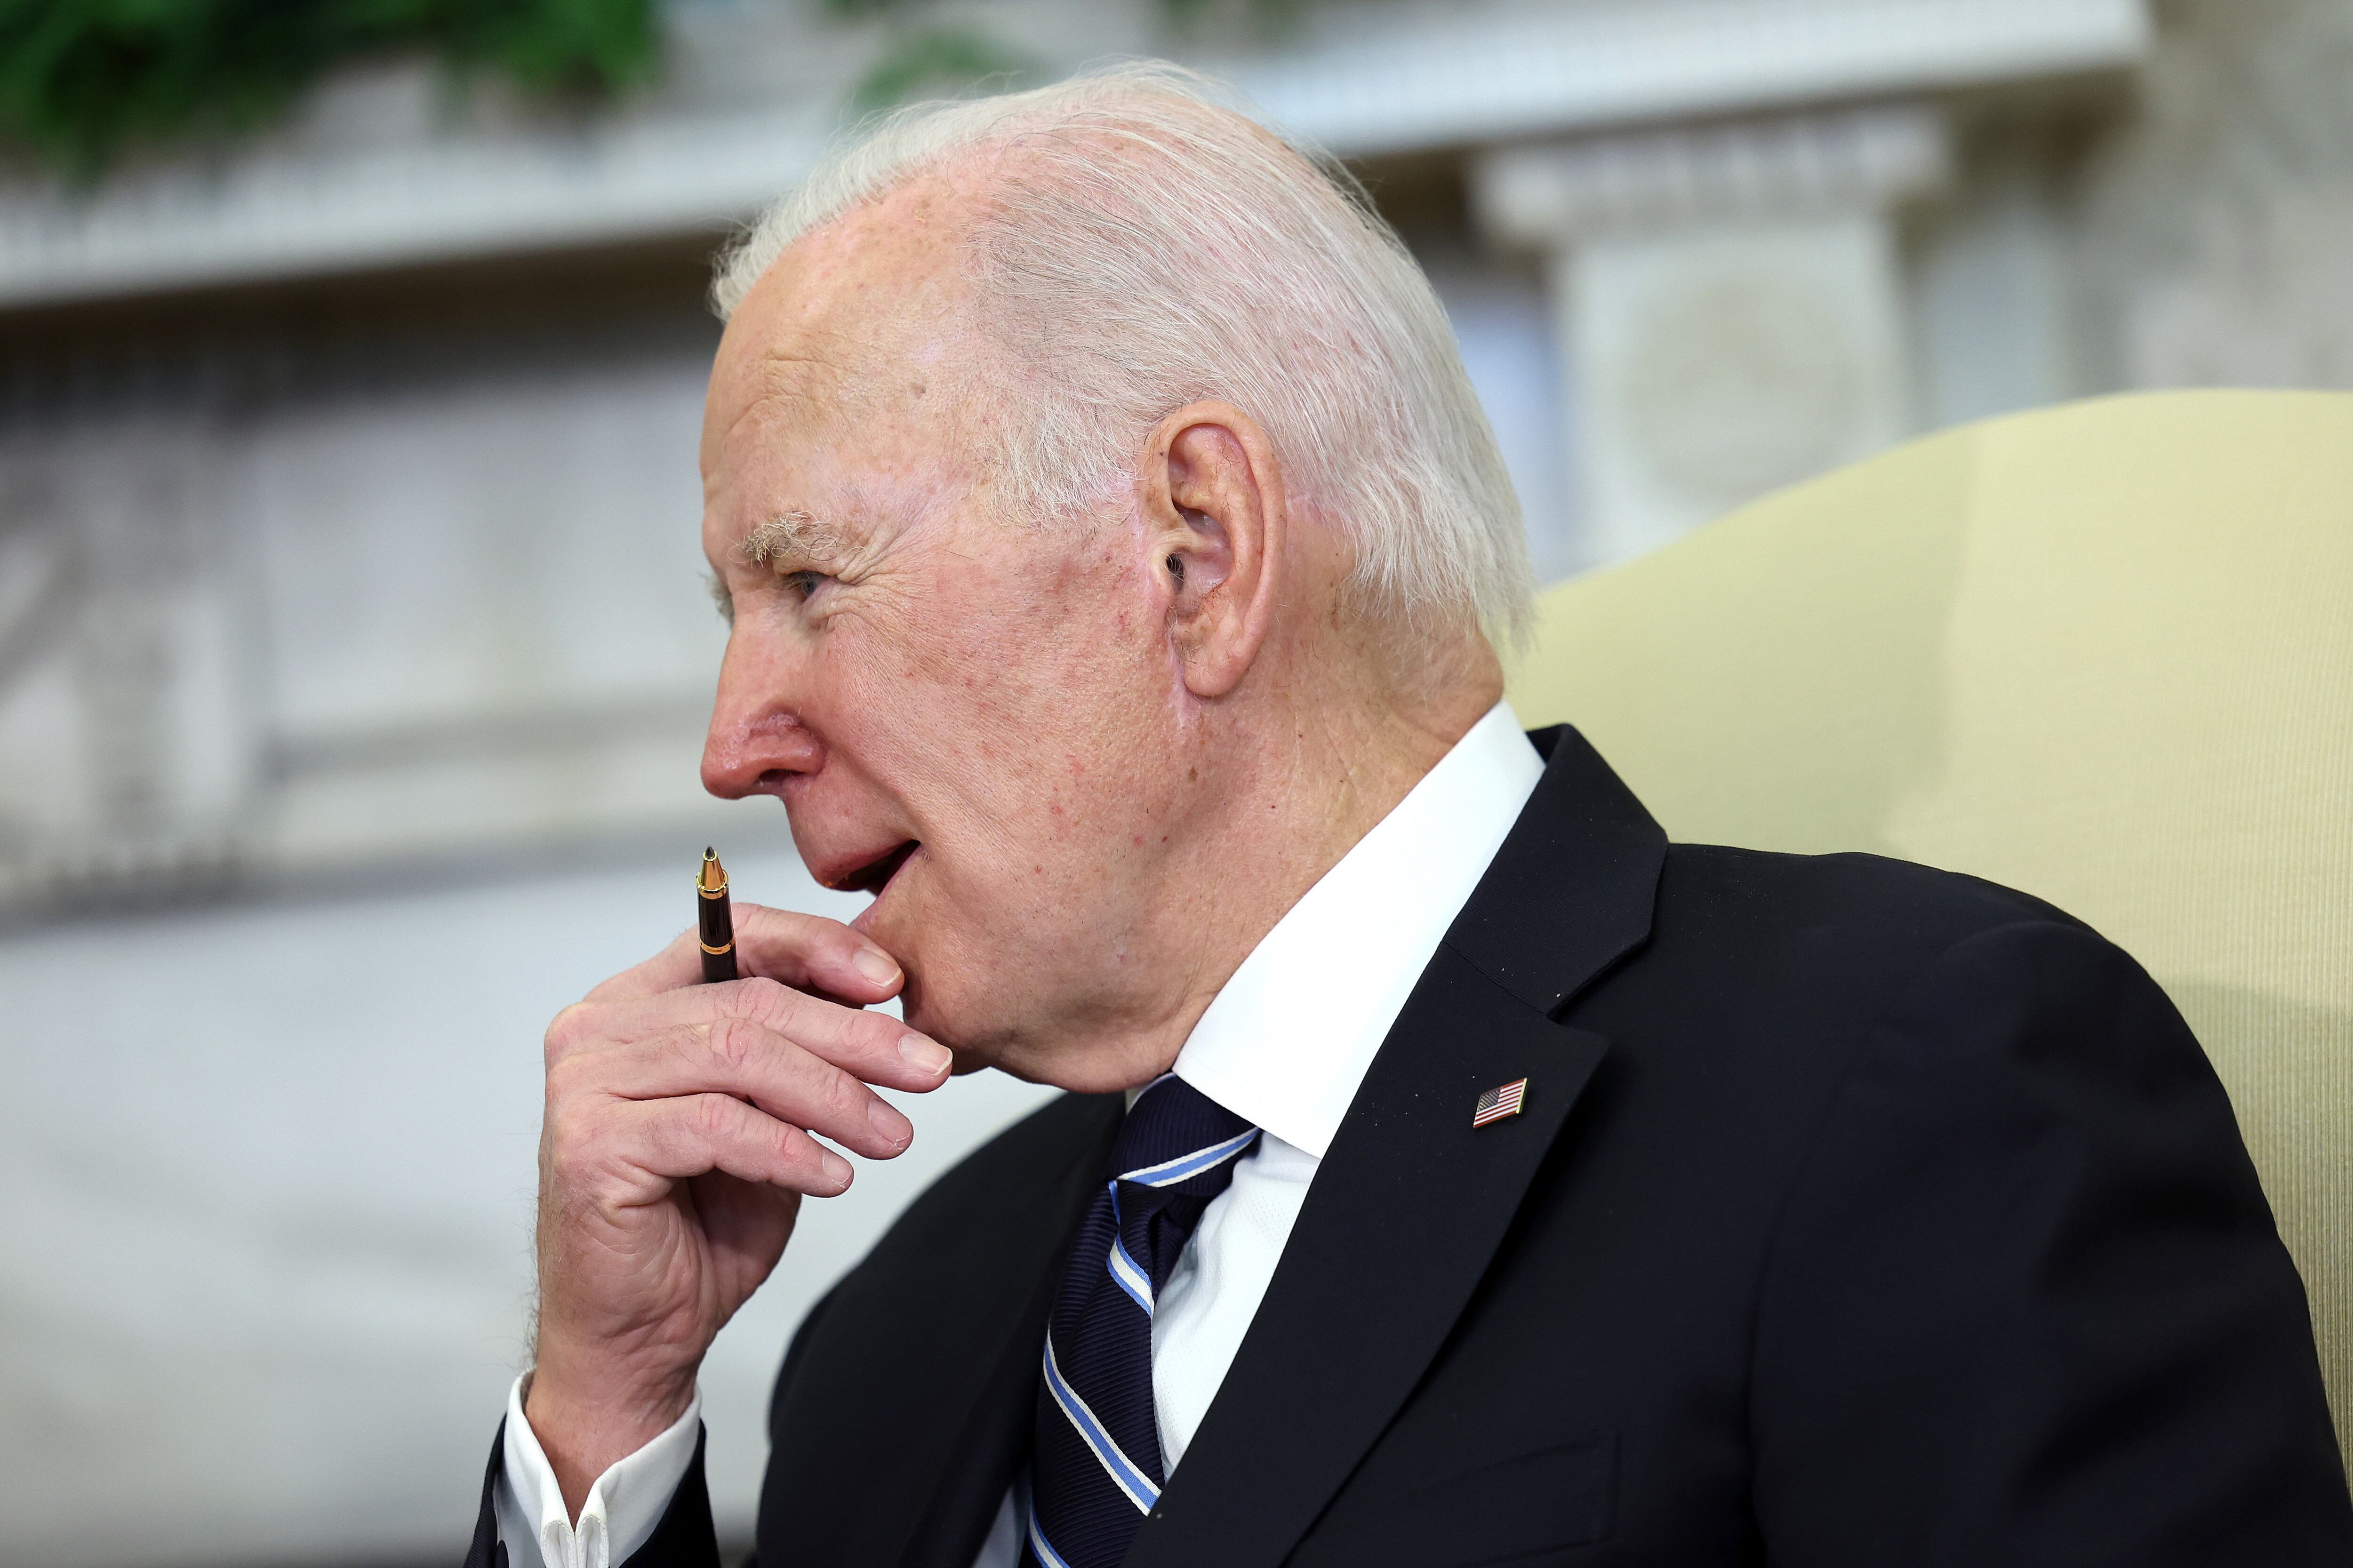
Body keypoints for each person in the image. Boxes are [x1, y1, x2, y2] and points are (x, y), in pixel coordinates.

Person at [464, 64, 2352, 1568]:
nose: (733, 740)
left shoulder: (1914, 1086)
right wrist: (606, 1416)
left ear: (1194, 549)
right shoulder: (899, 1333)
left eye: (812, 580)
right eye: (733, 615)